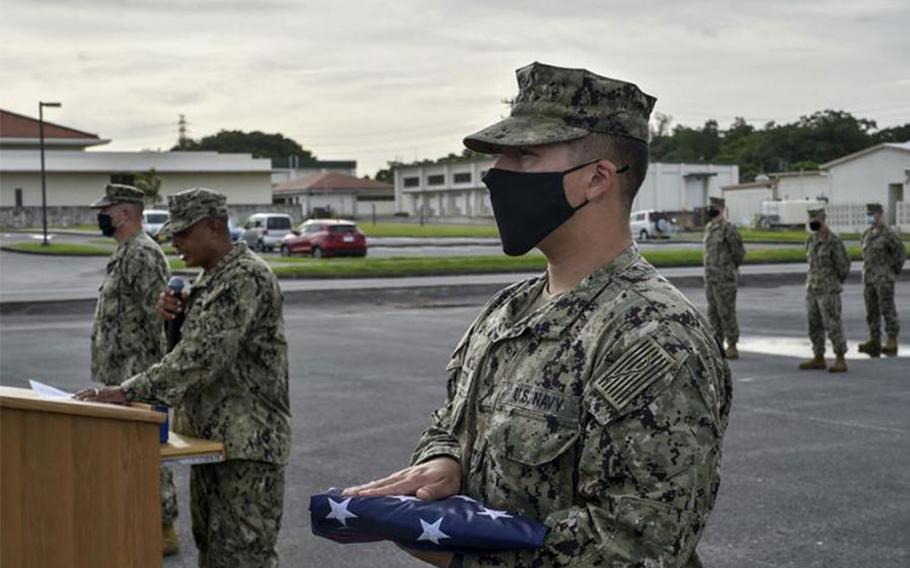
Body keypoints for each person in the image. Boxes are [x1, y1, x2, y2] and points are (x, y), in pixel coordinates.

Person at [344, 62, 732, 568]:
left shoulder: (652, 336)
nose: (496, 174)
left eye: (524, 156)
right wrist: (444, 460)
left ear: (596, 179)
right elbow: (451, 421)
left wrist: (465, 557)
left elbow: (637, 545)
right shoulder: (508, 311)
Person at [76, 188, 291, 568]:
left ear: (214, 226)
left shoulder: (244, 278)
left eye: (183, 233)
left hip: (248, 446)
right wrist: (172, 320)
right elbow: (182, 350)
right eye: (172, 234)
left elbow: (199, 361)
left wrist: (127, 391)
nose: (174, 242)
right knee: (213, 553)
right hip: (213, 440)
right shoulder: (209, 281)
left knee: (243, 558)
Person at [88, 183, 179, 555]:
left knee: (147, 454)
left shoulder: (142, 254)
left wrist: (148, 382)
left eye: (106, 210)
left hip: (137, 375)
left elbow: (158, 319)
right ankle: (134, 522)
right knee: (126, 454)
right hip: (120, 374)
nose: (101, 216)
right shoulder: (125, 253)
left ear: (125, 212)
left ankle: (162, 527)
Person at [799, 208, 850, 373]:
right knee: (813, 324)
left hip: (828, 290)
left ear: (823, 218)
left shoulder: (834, 241)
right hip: (812, 288)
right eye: (810, 218)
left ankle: (840, 358)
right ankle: (818, 357)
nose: (813, 221)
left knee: (833, 323)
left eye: (816, 218)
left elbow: (843, 266)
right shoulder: (810, 241)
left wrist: (834, 282)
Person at [858, 202, 905, 357]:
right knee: (871, 311)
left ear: (880, 214)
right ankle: (874, 340)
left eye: (873, 214)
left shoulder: (888, 234)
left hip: (884, 279)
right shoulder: (866, 235)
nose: (870, 217)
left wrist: (891, 272)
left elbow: (900, 254)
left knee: (887, 309)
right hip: (869, 279)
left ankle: (892, 340)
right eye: (868, 214)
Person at [702, 196, 745, 359]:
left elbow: (738, 253)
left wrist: (728, 269)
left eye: (713, 206)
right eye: (710, 206)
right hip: (711, 278)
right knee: (713, 313)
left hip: (724, 279)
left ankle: (732, 344)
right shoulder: (709, 228)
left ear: (721, 208)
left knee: (726, 312)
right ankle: (717, 345)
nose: (710, 209)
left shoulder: (729, 229)